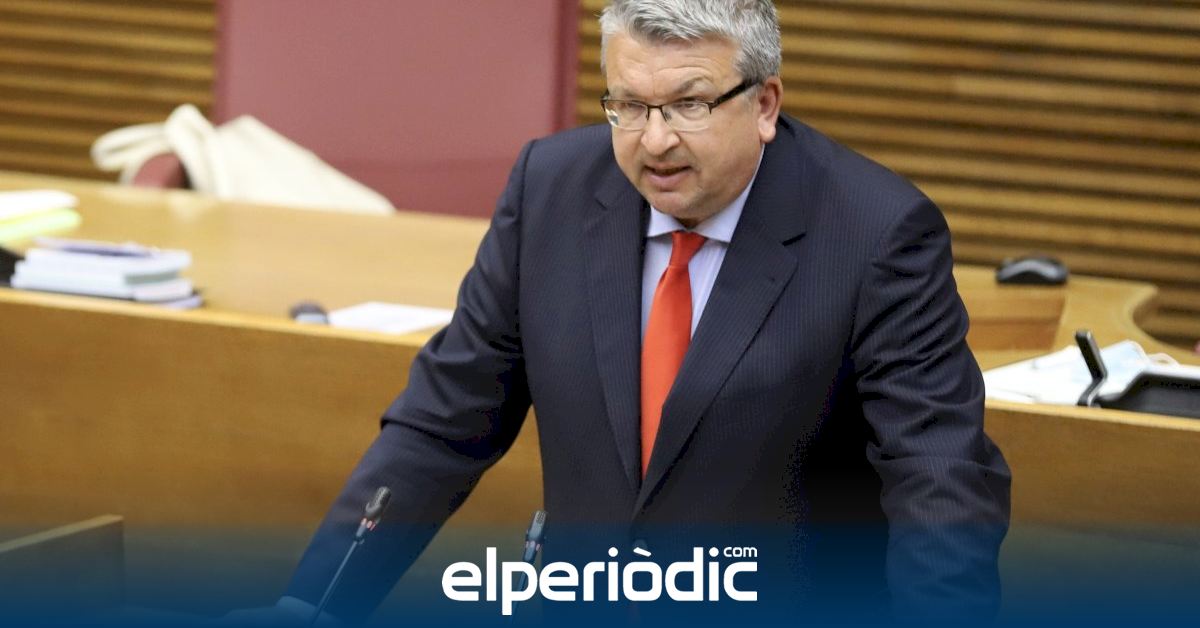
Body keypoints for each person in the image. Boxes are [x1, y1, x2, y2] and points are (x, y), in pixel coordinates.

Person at [238, 0, 1011, 625]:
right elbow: (443, 424)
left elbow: (938, 483)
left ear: (765, 103)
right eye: (630, 106)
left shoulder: (876, 234)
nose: (655, 141)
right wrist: (317, 603)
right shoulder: (551, 189)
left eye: (690, 105)